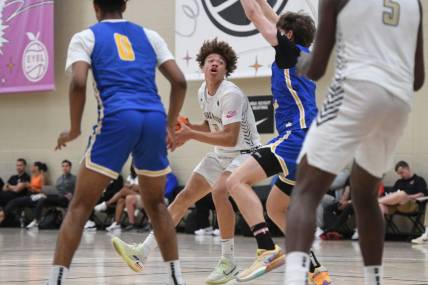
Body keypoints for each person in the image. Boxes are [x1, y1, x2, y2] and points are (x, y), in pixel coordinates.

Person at [46, 0, 187, 284]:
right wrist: (169, 126)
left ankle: (55, 280)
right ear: (124, 4)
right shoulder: (150, 35)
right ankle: (176, 279)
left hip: (118, 117)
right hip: (153, 117)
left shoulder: (85, 37)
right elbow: (180, 82)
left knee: (79, 206)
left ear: (95, 7)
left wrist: (74, 128)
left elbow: (77, 83)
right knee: (157, 205)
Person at [284, 0, 424, 284]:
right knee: (364, 194)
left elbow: (318, 68)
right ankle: (375, 280)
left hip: (356, 87)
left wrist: (304, 61)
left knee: (305, 191)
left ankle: (294, 279)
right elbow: (418, 79)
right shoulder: (415, 3)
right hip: (398, 100)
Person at [110, 38, 262, 285]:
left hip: (246, 154)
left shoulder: (231, 94)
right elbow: (213, 127)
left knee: (219, 192)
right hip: (222, 155)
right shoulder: (203, 91)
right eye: (210, 60)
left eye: (220, 62)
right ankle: (143, 252)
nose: (215, 63)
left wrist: (191, 134)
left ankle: (229, 262)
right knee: (183, 198)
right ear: (203, 66)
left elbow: (230, 136)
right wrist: (190, 127)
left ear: (226, 69)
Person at [226, 1, 330, 283]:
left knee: (234, 182)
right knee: (275, 208)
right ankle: (316, 271)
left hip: (295, 137)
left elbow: (254, 15)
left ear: (288, 36)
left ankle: (266, 248)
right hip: (311, 143)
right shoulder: (305, 52)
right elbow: (274, 17)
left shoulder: (288, 53)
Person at [26, 160, 77, 229]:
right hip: (57, 196)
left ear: (70, 167)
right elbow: (56, 189)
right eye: (63, 166)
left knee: (61, 198)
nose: (65, 168)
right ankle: (36, 221)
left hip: (66, 199)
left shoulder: (74, 178)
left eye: (66, 166)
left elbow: (77, 191)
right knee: (42, 199)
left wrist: (71, 195)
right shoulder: (59, 179)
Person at [94, 166, 140, 231]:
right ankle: (117, 224)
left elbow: (140, 188)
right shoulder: (131, 176)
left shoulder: (143, 175)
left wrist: (130, 186)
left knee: (124, 190)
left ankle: (107, 204)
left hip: (142, 196)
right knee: (121, 200)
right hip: (131, 196)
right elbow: (126, 185)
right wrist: (132, 187)